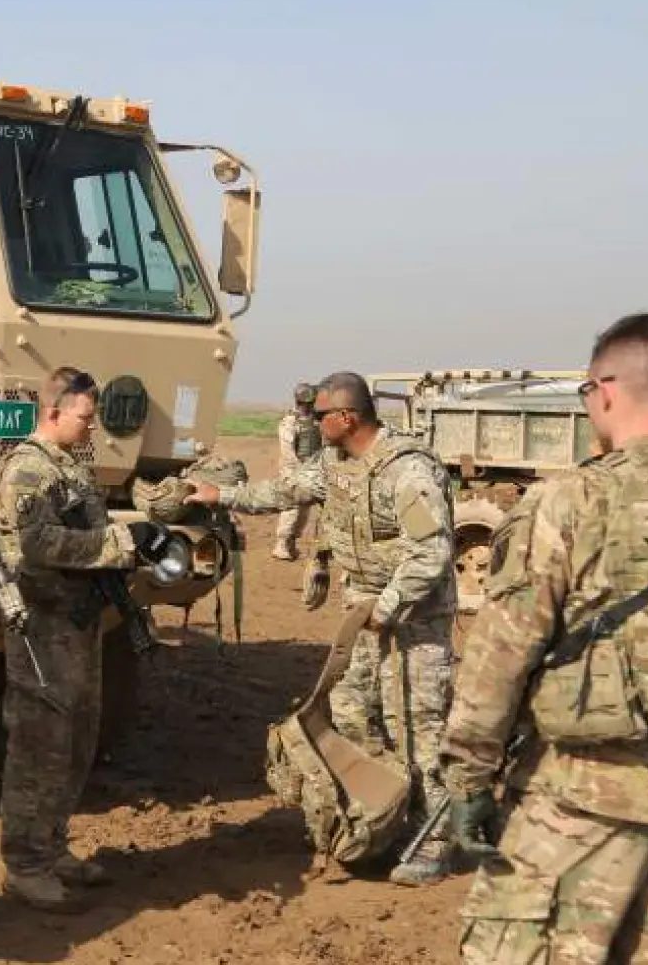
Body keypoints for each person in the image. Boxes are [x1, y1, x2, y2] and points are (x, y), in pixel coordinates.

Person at [440, 314, 648, 961]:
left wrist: (468, 779)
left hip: (577, 810)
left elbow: (499, 659)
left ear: (605, 391)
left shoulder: (570, 502)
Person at [189, 372, 458, 886]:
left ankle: (434, 840)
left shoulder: (407, 470)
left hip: (415, 620)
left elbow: (432, 553)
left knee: (418, 727)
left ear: (348, 418)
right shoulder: (335, 463)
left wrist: (388, 606)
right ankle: (380, 814)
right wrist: (220, 495)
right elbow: (283, 489)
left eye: (321, 415)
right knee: (351, 709)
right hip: (365, 613)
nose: (312, 422)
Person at [0, 367, 171, 912]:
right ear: (54, 412)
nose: (93, 427)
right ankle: (25, 865)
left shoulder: (70, 465)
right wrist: (121, 542)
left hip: (78, 623)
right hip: (42, 626)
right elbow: (38, 544)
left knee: (77, 741)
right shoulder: (26, 470)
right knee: (39, 747)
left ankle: (52, 846)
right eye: (86, 417)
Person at [272, 381, 322, 561]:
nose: (310, 405)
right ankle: (281, 545)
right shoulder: (290, 422)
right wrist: (299, 470)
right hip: (293, 471)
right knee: (292, 507)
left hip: (311, 469)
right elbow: (288, 451)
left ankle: (291, 544)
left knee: (304, 510)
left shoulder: (315, 420)